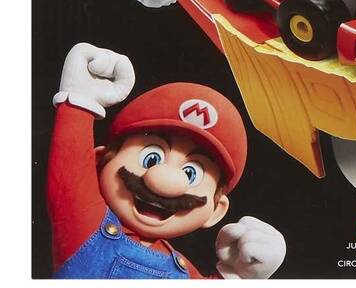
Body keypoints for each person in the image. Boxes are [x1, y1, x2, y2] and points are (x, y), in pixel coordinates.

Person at [47, 43, 287, 279]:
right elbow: (69, 175)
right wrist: (78, 103)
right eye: (152, 158)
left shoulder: (185, 273)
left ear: (216, 211)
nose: (168, 181)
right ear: (99, 163)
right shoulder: (85, 227)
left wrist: (238, 275)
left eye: (191, 172)